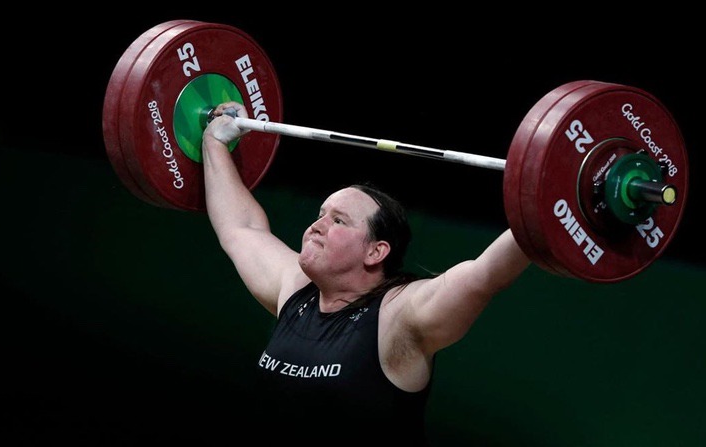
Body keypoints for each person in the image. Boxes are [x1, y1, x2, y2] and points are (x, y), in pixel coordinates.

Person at [201, 101, 531, 445]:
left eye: (338, 220)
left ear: (376, 251)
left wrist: (545, 204)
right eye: (321, 213)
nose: (317, 226)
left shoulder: (399, 315)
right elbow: (242, 228)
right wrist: (215, 142)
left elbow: (484, 275)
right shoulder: (296, 290)